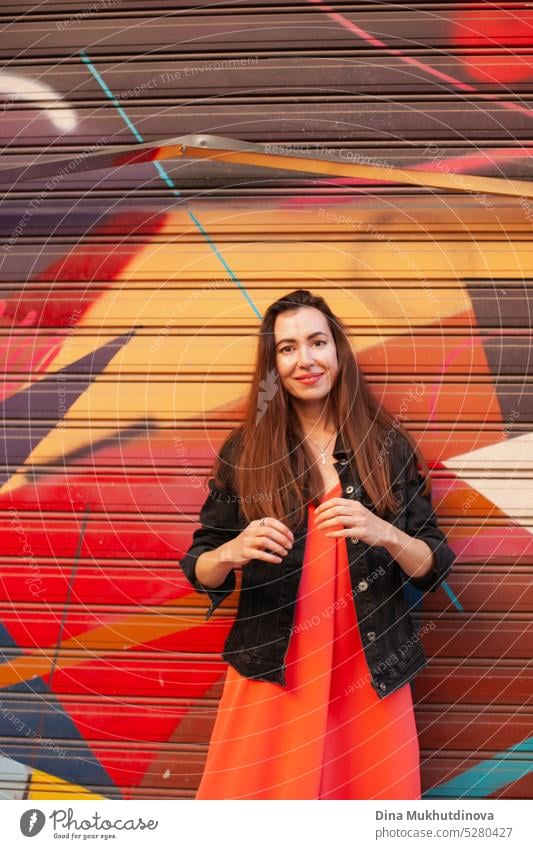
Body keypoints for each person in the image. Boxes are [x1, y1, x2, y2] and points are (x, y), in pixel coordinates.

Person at [179, 288, 455, 800]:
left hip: (367, 670)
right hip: (276, 666)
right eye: (287, 349)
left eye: (316, 342)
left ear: (338, 351)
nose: (305, 360)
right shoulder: (246, 451)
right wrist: (230, 551)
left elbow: (432, 565)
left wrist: (384, 531)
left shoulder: (387, 445)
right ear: (272, 366)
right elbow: (200, 566)